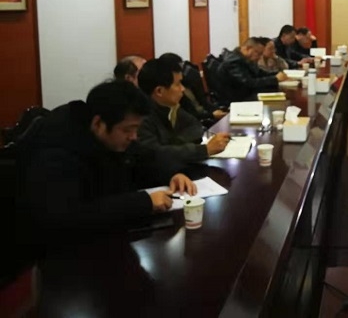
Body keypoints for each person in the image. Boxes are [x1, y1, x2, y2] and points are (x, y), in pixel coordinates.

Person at [16, 80, 197, 246]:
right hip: (64, 252)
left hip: (111, 237)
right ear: (98, 123)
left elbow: (144, 158)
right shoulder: (57, 151)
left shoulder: (108, 136)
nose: (134, 137)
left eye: (137, 129)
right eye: (127, 130)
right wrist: (143, 202)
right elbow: (68, 216)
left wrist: (172, 174)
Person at [137, 58, 229, 163]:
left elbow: (195, 126)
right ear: (159, 91)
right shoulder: (140, 117)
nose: (183, 88)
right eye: (178, 84)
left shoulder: (171, 106)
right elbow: (155, 155)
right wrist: (204, 150)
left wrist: (174, 144)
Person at [158, 52, 227, 123]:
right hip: (199, 120)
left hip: (205, 115)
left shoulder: (188, 80)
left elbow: (203, 101)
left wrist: (216, 110)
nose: (182, 70)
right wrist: (212, 115)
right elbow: (189, 115)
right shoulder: (172, 92)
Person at [218, 37, 288, 102]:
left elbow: (259, 73)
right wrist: (275, 79)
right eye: (258, 53)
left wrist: (277, 74)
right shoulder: (234, 62)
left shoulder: (245, 59)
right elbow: (249, 83)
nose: (259, 57)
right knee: (279, 97)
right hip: (238, 98)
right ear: (248, 49)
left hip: (247, 93)